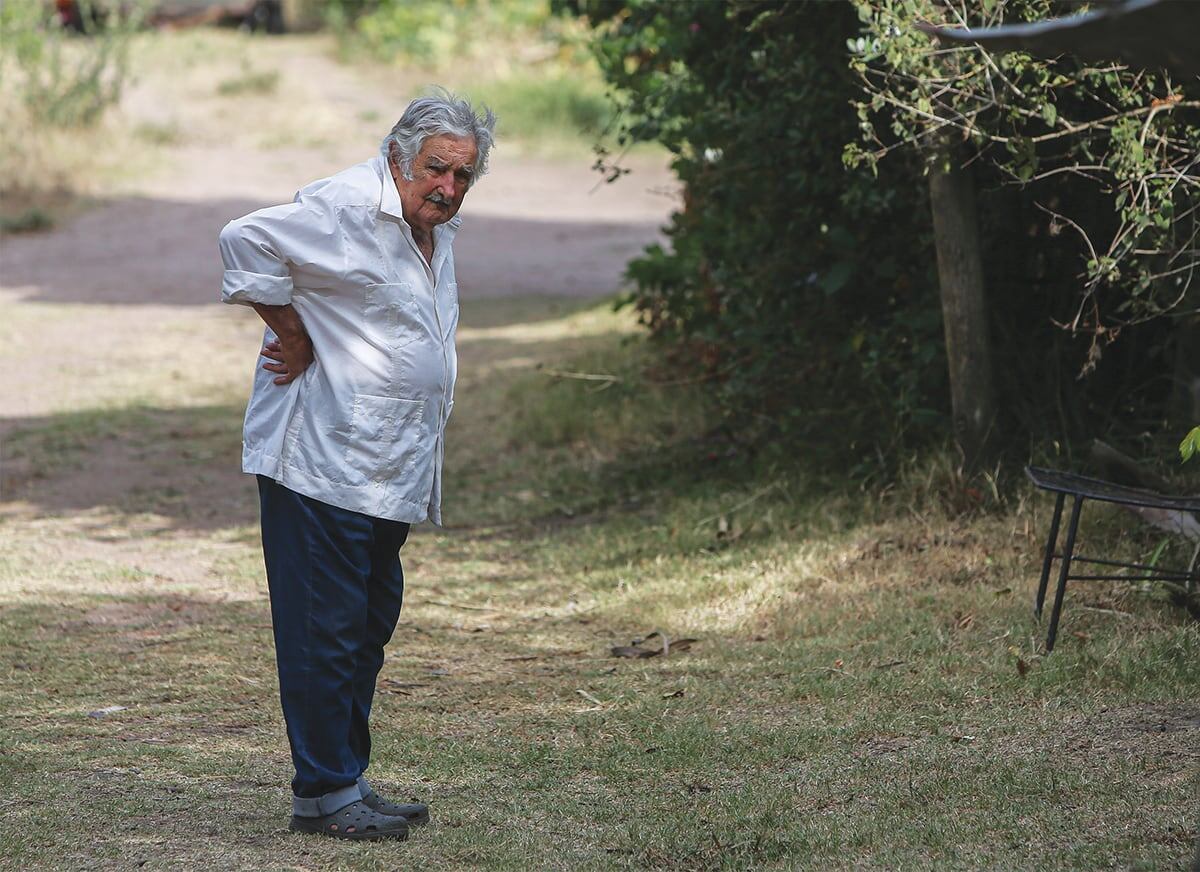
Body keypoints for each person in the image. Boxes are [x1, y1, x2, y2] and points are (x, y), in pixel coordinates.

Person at [217, 91, 495, 841]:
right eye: (436, 169)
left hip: (386, 467)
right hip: (322, 457)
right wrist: (290, 328)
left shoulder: (434, 225)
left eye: (462, 176)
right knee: (324, 630)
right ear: (399, 157)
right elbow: (242, 239)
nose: (447, 186)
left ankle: (338, 782)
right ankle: (328, 788)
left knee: (366, 625)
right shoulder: (343, 206)